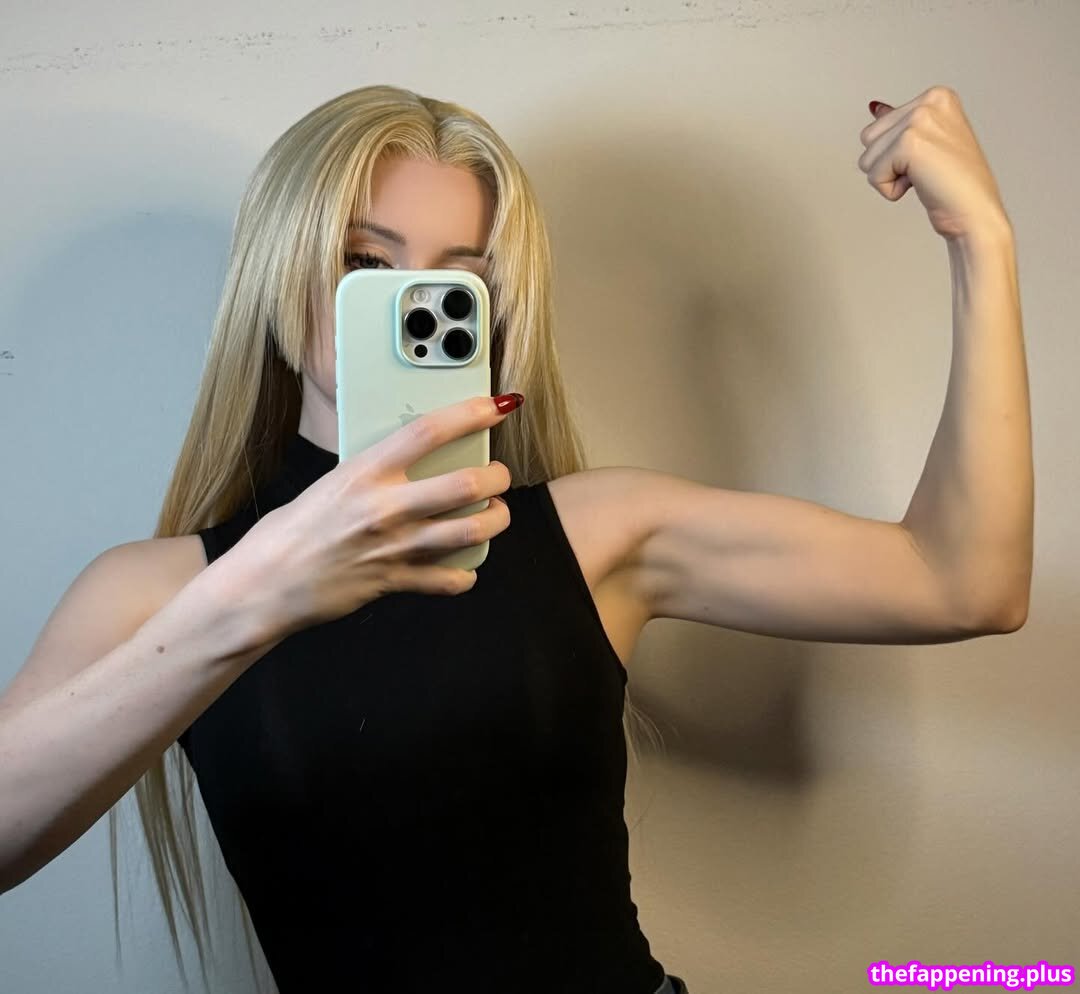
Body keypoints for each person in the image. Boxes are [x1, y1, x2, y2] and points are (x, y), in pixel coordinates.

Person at [0, 83, 1031, 994]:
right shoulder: (157, 592)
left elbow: (965, 583)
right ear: (280, 268)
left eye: (459, 279)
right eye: (364, 261)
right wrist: (250, 598)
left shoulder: (596, 532)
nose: (412, 307)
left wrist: (981, 241)